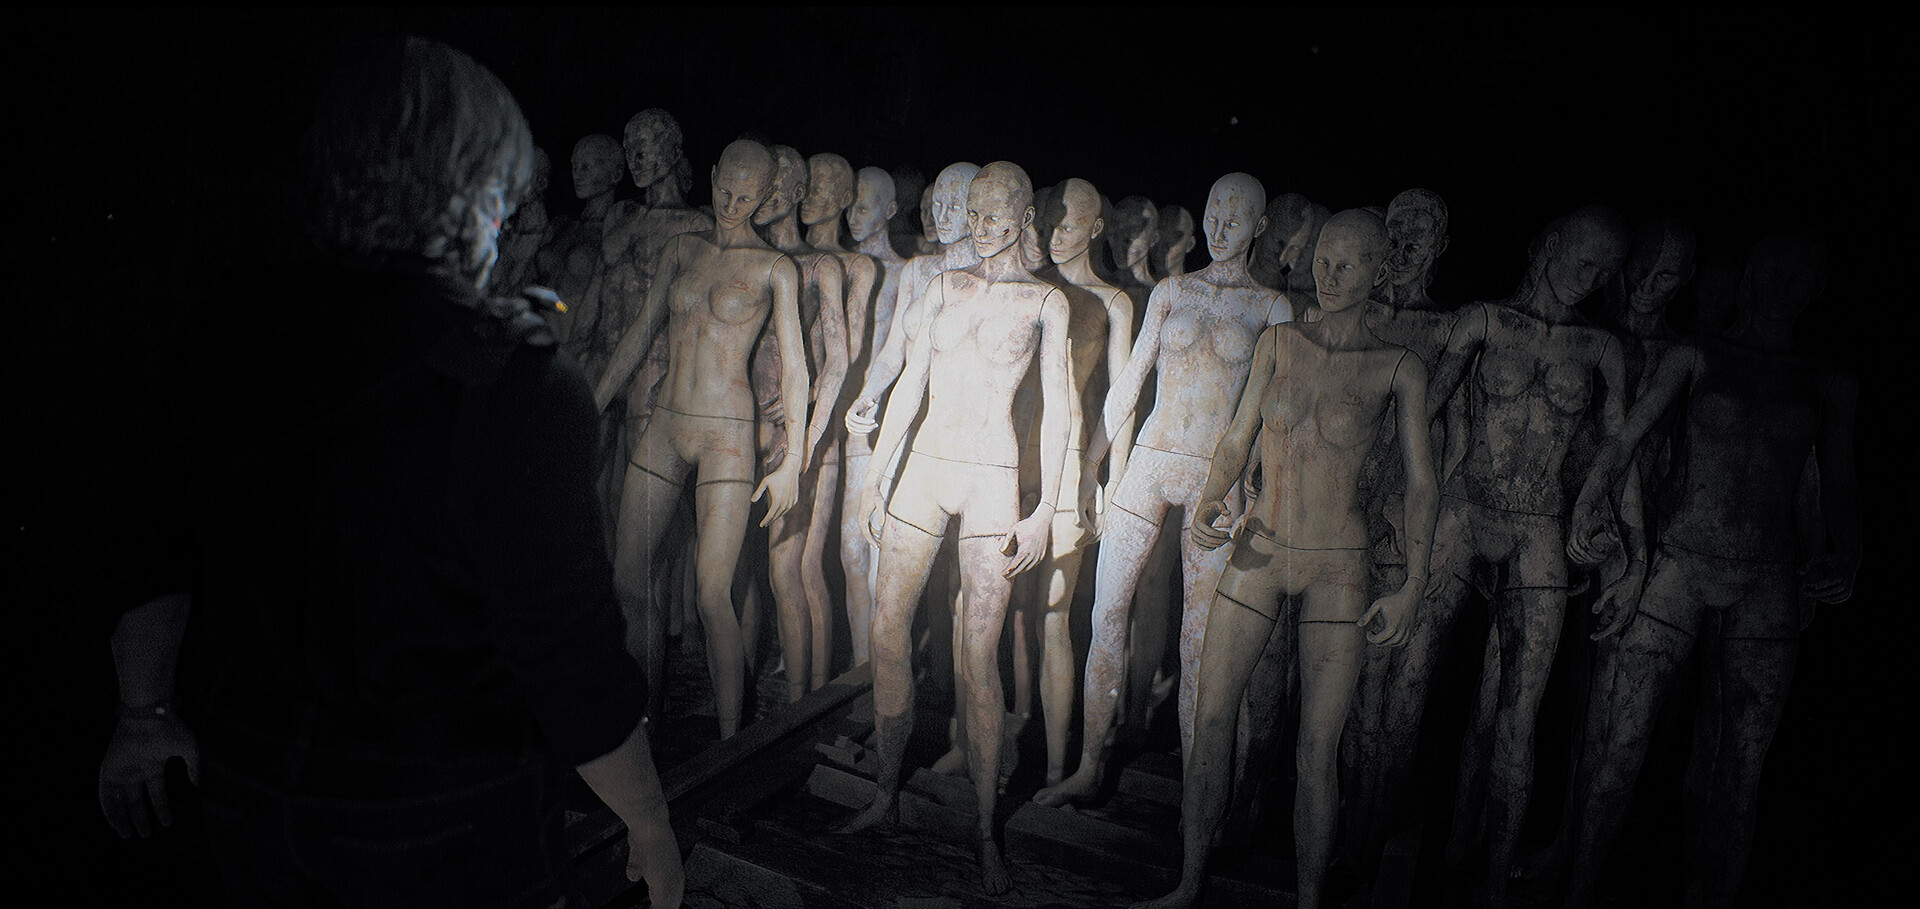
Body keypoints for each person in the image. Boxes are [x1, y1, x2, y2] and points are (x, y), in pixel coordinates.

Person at [94, 36, 682, 908]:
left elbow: (154, 544)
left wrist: (141, 712)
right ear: (479, 194)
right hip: (444, 822)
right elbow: (569, 656)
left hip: (252, 791)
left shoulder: (227, 329)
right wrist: (650, 821)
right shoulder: (513, 377)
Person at [1136, 209, 1435, 909]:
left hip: (1337, 562)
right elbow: (1237, 436)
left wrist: (1413, 585)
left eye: (1349, 264)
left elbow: (1422, 483)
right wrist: (1213, 498)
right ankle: (1189, 880)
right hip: (1261, 544)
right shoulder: (1279, 342)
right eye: (1324, 259)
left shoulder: (1397, 366)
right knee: (1213, 718)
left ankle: (1307, 900)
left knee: (1316, 749)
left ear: (1380, 272)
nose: (1329, 275)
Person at [1556, 230, 1858, 909]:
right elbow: (1626, 439)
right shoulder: (1696, 355)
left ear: (1815, 288)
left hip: (1766, 575)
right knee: (1619, 746)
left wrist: (1847, 553)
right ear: (1749, 272)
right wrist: (1590, 506)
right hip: (1682, 561)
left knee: (1740, 770)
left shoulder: (1828, 381)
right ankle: (1577, 892)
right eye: (1772, 267)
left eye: (1797, 274)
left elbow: (1834, 479)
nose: (1780, 285)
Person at [1377, 205, 1634, 904]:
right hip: (1465, 508)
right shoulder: (1485, 320)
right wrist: (1392, 501)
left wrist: (1624, 546)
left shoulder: (1598, 347)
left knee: (1518, 713)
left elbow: (1617, 450)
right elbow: (1423, 413)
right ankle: (1373, 835)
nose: (1591, 278)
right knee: (1408, 676)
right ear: (1549, 245)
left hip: (1537, 525)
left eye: (1605, 271)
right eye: (1584, 259)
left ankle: (1491, 881)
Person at [839, 161, 1074, 897]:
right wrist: (875, 477)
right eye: (975, 211)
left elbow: (1060, 410)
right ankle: (885, 792)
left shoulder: (1045, 301)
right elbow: (910, 383)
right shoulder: (944, 285)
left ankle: (984, 829)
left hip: (990, 478)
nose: (983, 223)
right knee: (887, 628)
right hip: (926, 467)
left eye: (998, 212)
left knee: (979, 655)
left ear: (1025, 215)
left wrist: (1046, 509)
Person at [1034, 172, 1292, 808]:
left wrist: (1255, 488)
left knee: (1197, 640)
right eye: (1214, 212)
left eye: (1236, 218)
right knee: (1106, 613)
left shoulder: (1270, 308)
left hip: (1213, 473)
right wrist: (1092, 463)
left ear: (1258, 228)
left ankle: (1196, 799)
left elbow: (1274, 412)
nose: (1220, 227)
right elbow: (1130, 382)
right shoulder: (1173, 292)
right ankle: (1089, 766)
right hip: (1151, 458)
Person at [593, 138, 809, 739]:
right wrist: (592, 403)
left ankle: (729, 741)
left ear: (765, 197)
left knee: (713, 593)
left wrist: (793, 458)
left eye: (746, 195)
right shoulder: (682, 249)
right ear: (711, 176)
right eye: (725, 189)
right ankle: (641, 720)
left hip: (726, 436)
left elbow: (796, 366)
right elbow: (639, 334)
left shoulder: (774, 268)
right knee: (628, 579)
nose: (732, 204)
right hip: (667, 422)